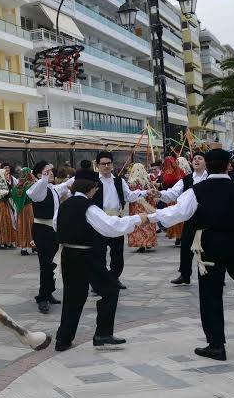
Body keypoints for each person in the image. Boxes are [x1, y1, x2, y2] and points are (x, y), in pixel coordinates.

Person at [150, 149, 234, 360]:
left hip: (209, 243)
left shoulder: (196, 190)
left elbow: (177, 213)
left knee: (210, 292)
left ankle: (216, 344)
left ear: (207, 166)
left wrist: (151, 217)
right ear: (228, 165)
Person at [54, 168, 149, 352]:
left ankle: (63, 339)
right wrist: (138, 219)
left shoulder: (64, 205)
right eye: (95, 188)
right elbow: (111, 227)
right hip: (87, 256)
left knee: (72, 297)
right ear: (91, 188)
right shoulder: (89, 208)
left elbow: (57, 226)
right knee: (111, 289)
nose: (96, 191)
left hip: (68, 256)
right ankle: (103, 334)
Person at [91, 151, 149, 289]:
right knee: (98, 253)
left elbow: (129, 196)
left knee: (117, 253)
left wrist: (145, 192)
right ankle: (98, 281)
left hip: (116, 220)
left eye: (108, 163)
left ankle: (114, 278)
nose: (106, 166)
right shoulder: (93, 181)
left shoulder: (119, 181)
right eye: (103, 164)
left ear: (112, 164)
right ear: (98, 165)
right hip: (98, 221)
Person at [26, 160, 71, 313]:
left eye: (51, 171)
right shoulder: (38, 189)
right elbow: (32, 193)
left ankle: (49, 292)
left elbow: (64, 185)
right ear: (39, 174)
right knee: (45, 264)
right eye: (46, 171)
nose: (51, 173)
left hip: (53, 230)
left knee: (53, 263)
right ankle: (42, 297)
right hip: (42, 230)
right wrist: (43, 178)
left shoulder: (52, 188)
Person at [160, 152, 209, 285]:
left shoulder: (210, 178)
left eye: (200, 158)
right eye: (194, 159)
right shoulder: (186, 179)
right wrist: (159, 194)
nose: (196, 161)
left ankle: (212, 275)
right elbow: (172, 193)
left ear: (206, 162)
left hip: (208, 219)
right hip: (191, 219)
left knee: (208, 249)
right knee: (186, 246)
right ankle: (185, 275)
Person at [126, 163, 157, 253]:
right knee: (149, 223)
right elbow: (153, 192)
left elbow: (129, 194)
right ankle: (149, 242)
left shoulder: (132, 181)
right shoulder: (148, 180)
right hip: (148, 205)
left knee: (139, 224)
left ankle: (141, 244)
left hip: (137, 206)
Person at [11, 168, 35, 256]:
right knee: (31, 226)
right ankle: (33, 245)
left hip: (20, 210)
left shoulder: (16, 187)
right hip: (29, 208)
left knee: (22, 227)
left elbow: (13, 196)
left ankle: (23, 248)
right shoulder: (31, 184)